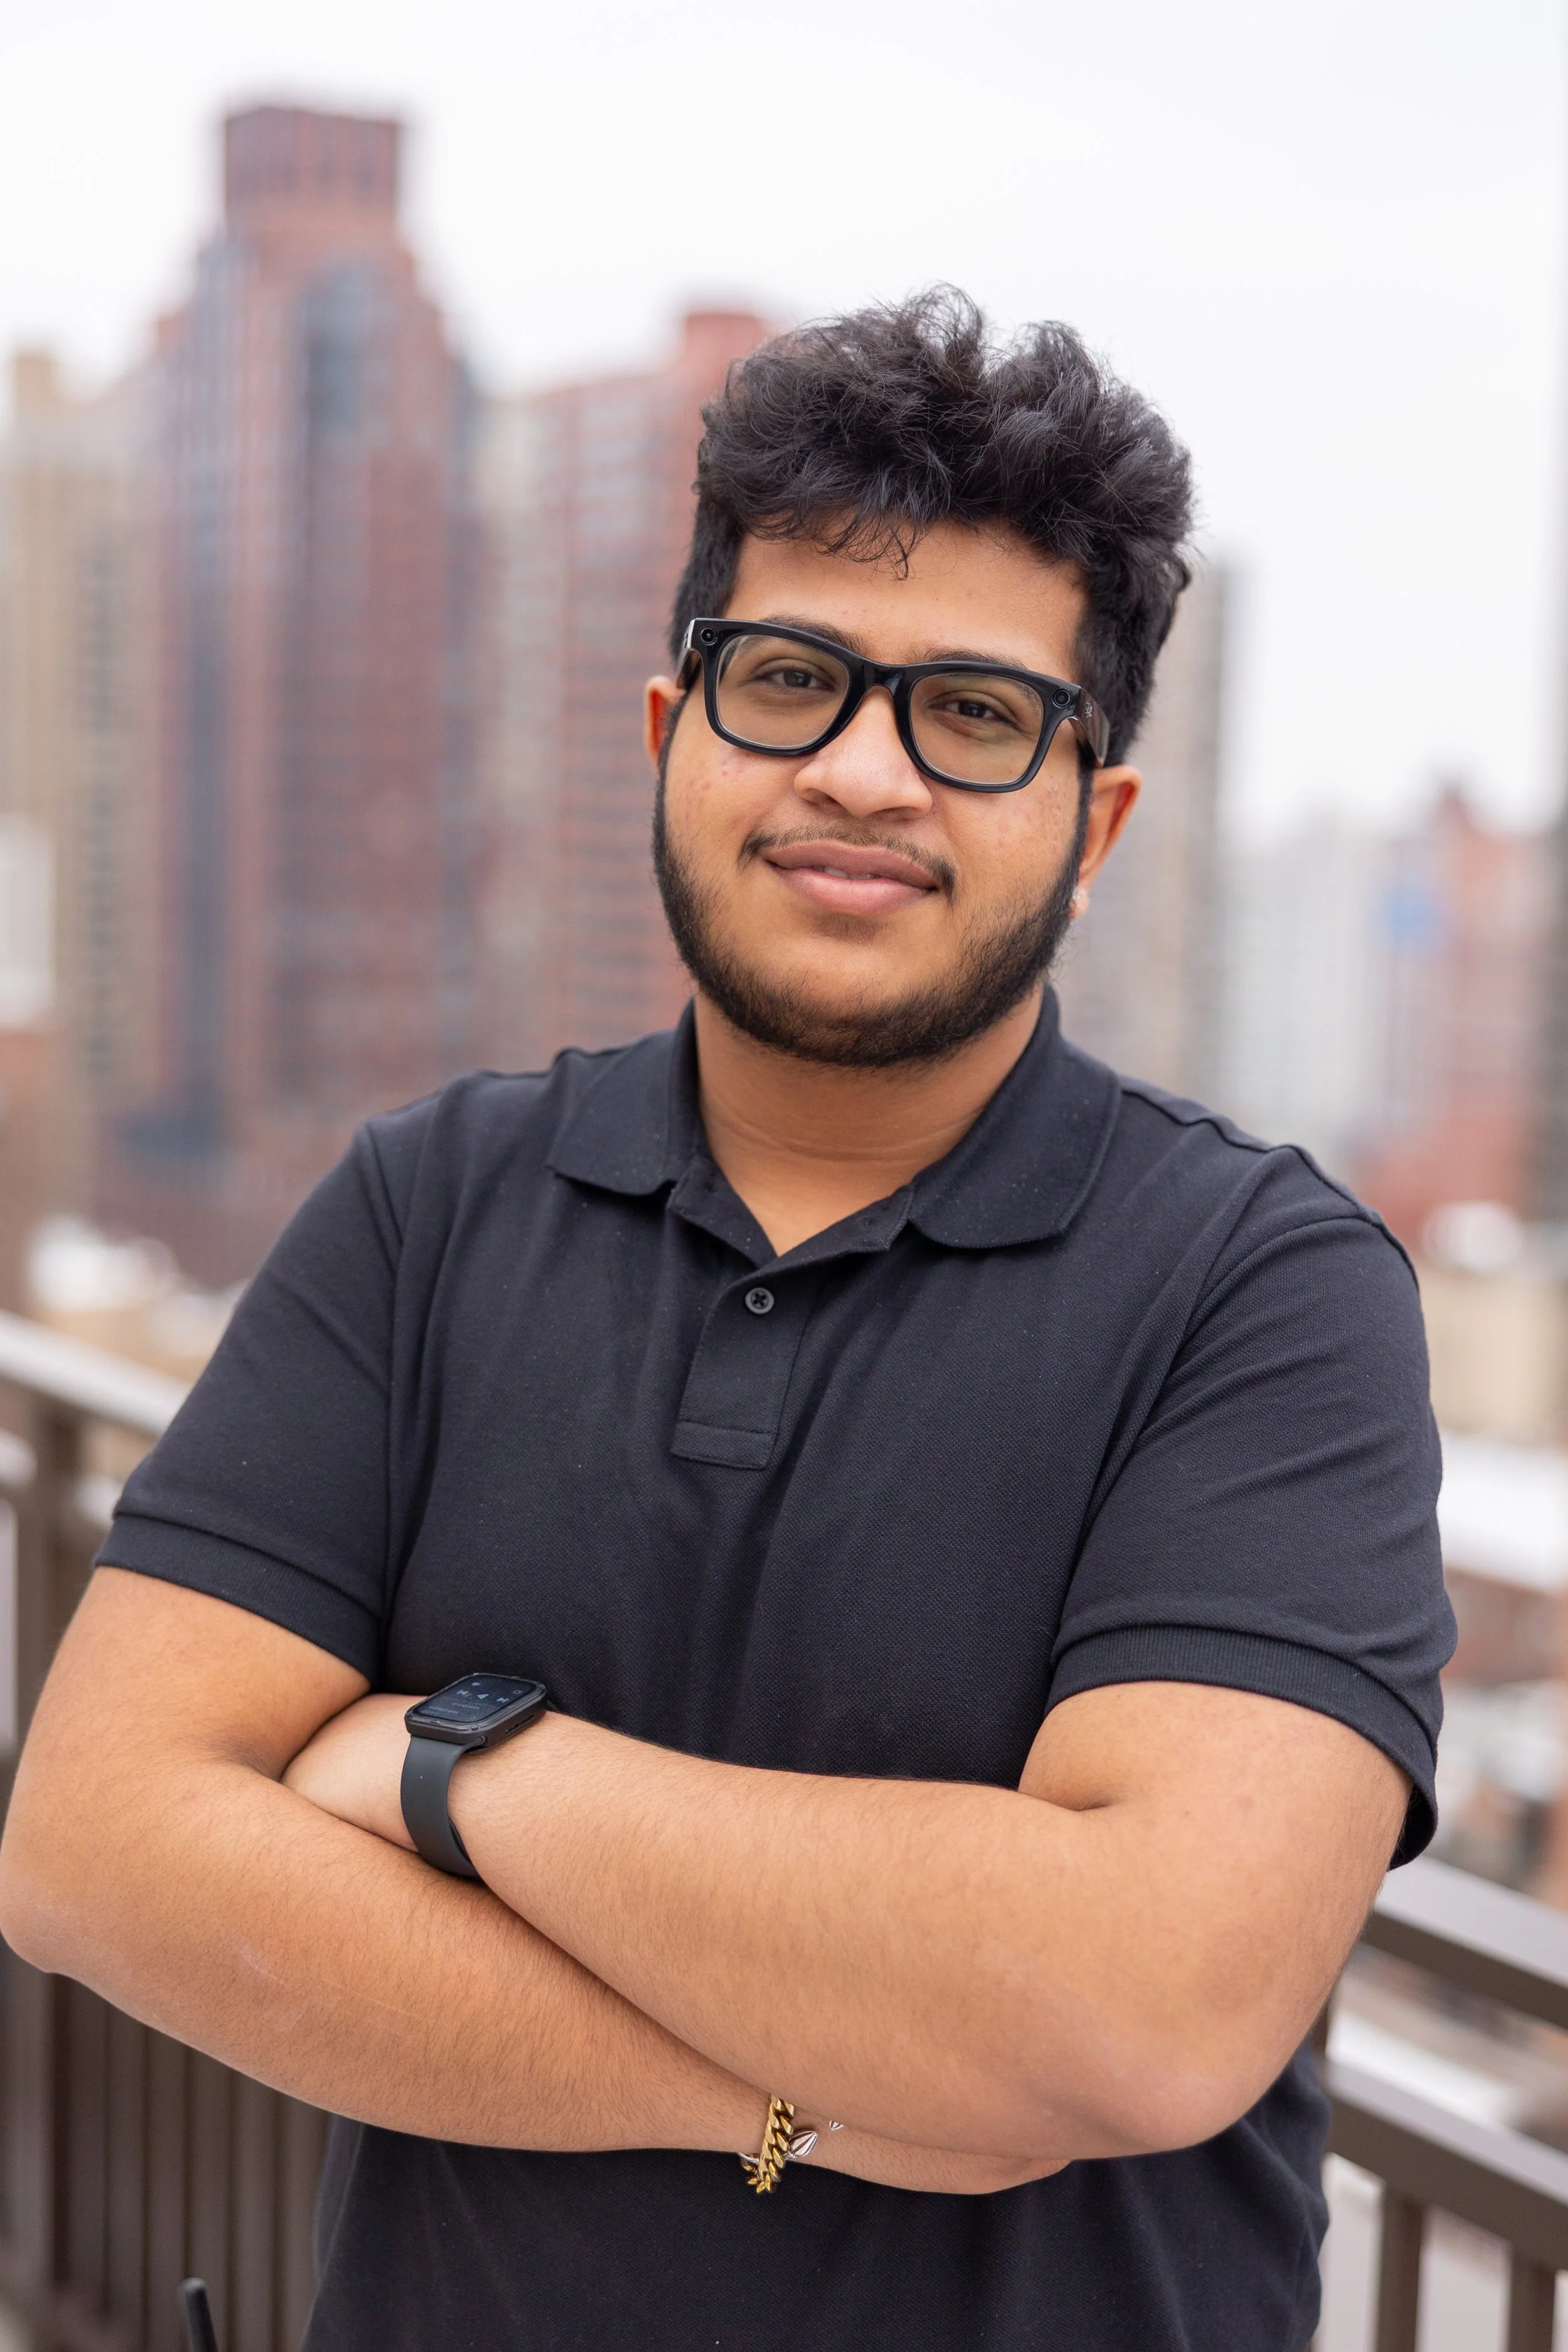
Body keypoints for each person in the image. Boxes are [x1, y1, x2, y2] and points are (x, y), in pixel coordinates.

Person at [0, 289, 1453, 2352]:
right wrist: (790, 2100)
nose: (863, 769)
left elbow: (1142, 2002)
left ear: (1093, 818)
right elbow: (93, 1849)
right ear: (673, 733)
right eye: (790, 679)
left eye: (970, 713)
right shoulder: (426, 1207)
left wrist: (451, 1766)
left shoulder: (1262, 1290)